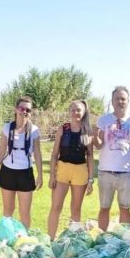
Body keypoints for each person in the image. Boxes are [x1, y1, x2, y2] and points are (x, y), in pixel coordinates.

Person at [93, 86, 130, 230]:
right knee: (104, 208)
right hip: (106, 172)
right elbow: (98, 145)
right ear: (112, 101)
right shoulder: (104, 120)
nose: (120, 101)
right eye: (117, 99)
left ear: (128, 101)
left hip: (127, 173)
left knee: (125, 208)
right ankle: (102, 239)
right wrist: (95, 135)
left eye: (123, 99)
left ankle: (124, 239)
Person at [0, 96, 43, 228]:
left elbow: (37, 152)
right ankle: (7, 239)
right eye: (21, 108)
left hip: (26, 172)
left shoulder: (34, 130)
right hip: (8, 171)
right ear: (16, 109)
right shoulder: (7, 128)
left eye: (28, 110)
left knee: (24, 212)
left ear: (31, 112)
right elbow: (1, 151)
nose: (24, 112)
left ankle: (24, 241)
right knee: (8, 211)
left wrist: (40, 174)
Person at [47, 100, 95, 240]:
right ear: (69, 111)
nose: (76, 113)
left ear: (84, 112)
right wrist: (52, 175)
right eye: (73, 110)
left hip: (80, 171)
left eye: (79, 110)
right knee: (56, 207)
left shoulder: (87, 132)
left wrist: (91, 179)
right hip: (62, 169)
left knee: (76, 209)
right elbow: (55, 154)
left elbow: (90, 156)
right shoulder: (63, 129)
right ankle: (50, 240)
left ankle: (72, 242)